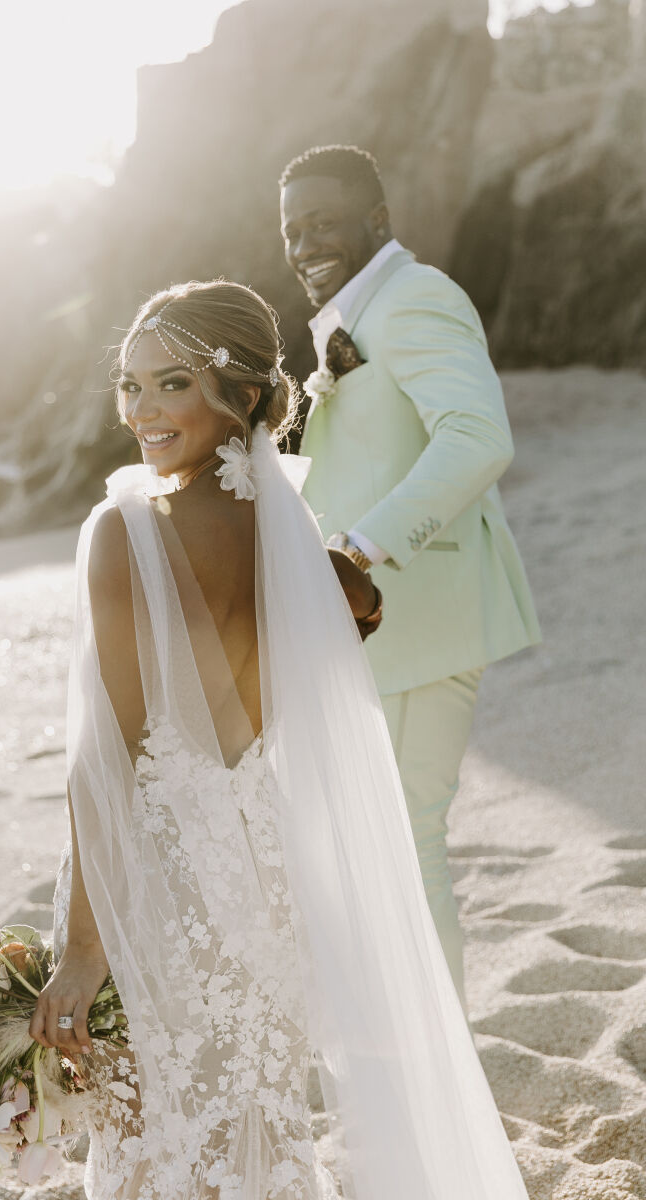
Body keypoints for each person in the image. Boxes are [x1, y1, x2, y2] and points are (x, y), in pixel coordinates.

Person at [29, 280, 529, 1199]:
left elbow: (106, 763)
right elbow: (328, 657)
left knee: (150, 1143)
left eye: (168, 383)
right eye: (129, 385)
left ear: (242, 394)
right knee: (257, 1133)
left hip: (162, 877)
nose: (139, 410)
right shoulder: (300, 543)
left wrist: (83, 950)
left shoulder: (123, 533)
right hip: (263, 875)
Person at [279, 145, 541, 1009]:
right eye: (292, 230)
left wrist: (357, 550)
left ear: (378, 222)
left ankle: (444, 1078)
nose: (306, 242)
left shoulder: (416, 296)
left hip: (419, 615)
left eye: (324, 222)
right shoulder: (357, 314)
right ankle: (421, 1060)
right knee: (384, 846)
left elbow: (478, 439)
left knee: (407, 843)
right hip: (378, 626)